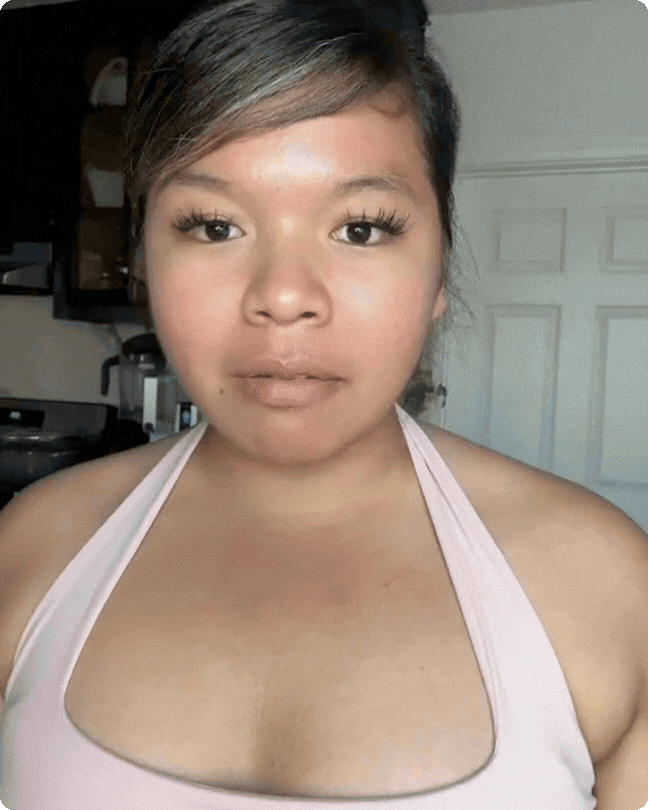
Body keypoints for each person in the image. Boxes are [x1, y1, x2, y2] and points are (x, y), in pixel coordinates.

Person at [1, 2, 647, 808]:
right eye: (214, 226)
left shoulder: (606, 583)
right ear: (144, 262)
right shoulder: (33, 549)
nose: (283, 295)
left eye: (362, 229)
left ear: (440, 269)